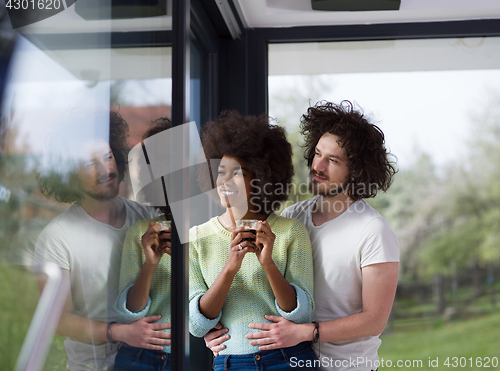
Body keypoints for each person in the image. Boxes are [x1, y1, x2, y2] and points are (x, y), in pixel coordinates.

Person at [207, 101, 400, 371]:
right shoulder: (294, 217)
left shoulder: (373, 231)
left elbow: (374, 320)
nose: (317, 166)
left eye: (332, 160)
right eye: (317, 154)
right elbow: (261, 285)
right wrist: (215, 330)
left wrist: (306, 332)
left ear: (356, 171)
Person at [35, 111, 170, 371]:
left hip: (154, 361)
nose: (105, 169)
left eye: (108, 157)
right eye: (89, 164)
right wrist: (119, 332)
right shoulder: (57, 237)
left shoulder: (147, 217)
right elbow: (56, 320)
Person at [189, 110, 317, 370]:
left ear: (260, 177)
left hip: (288, 360)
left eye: (237, 173)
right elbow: (196, 325)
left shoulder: (291, 232)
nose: (224, 181)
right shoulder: (197, 238)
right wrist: (230, 267)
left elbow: (303, 314)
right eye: (220, 171)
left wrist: (268, 263)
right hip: (230, 363)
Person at [113, 117, 174, 370]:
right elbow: (130, 311)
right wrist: (150, 265)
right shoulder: (142, 232)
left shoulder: (215, 230)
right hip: (143, 358)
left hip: (201, 355)